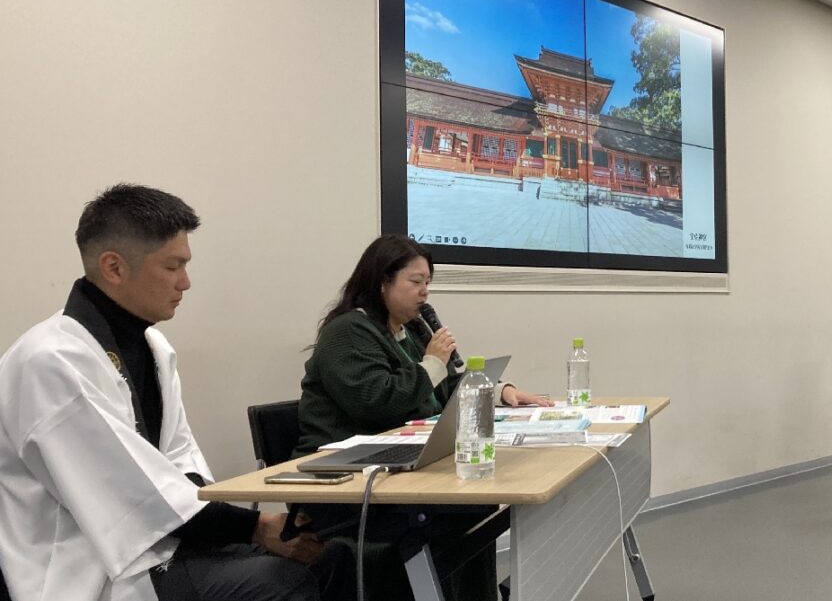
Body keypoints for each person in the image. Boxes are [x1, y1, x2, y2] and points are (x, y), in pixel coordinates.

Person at [0, 184, 344, 601]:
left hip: (166, 542)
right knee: (281, 584)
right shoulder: (50, 361)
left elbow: (181, 465)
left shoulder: (154, 349)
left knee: (335, 559)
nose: (186, 282)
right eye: (172, 266)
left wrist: (260, 527)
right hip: (93, 570)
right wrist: (253, 527)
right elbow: (133, 494)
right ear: (114, 267)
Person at [293, 233, 552, 600]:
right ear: (382, 281)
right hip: (348, 480)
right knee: (454, 510)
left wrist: (500, 392)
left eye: (427, 283)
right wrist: (432, 361)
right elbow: (377, 401)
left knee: (476, 502)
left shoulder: (408, 332)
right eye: (415, 282)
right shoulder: (348, 332)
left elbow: (444, 390)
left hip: (396, 465)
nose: (424, 293)